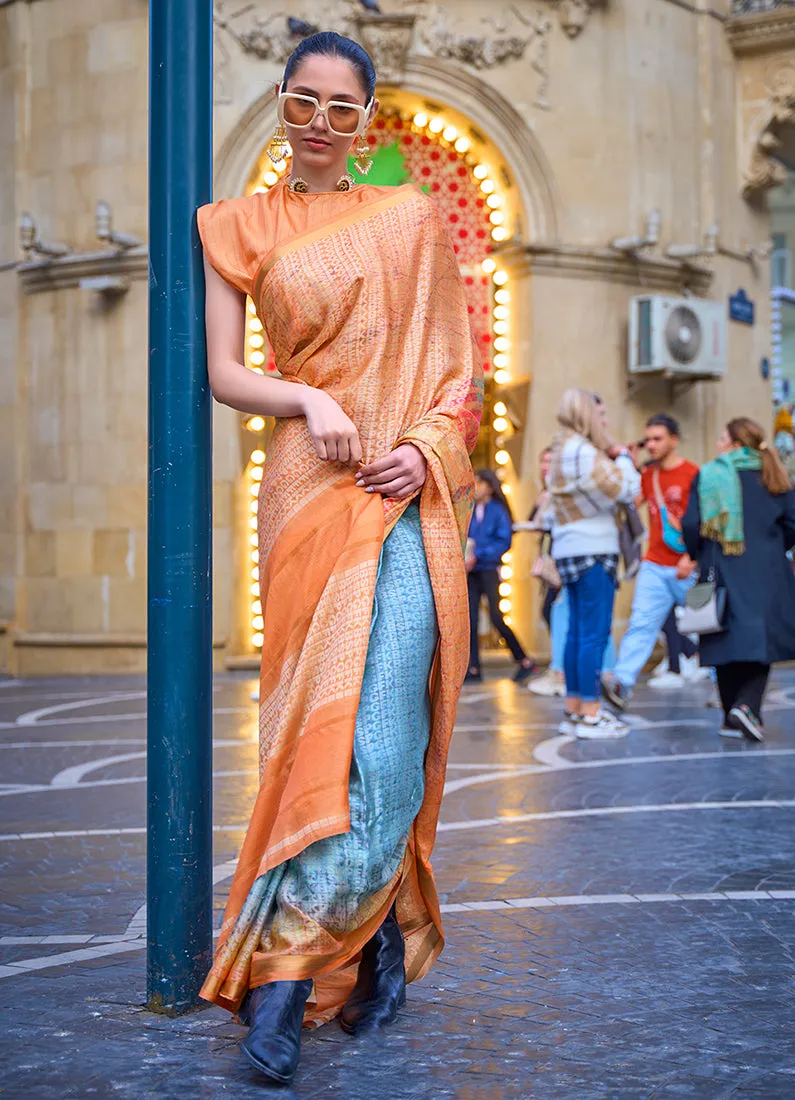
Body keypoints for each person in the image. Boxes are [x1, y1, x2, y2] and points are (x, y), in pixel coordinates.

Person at [196, 33, 483, 1083]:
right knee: (310, 738)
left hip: (403, 495)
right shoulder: (235, 227)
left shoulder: (408, 218)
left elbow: (458, 374)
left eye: (341, 108)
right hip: (305, 491)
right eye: (302, 102)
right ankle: (324, 973)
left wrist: (419, 450)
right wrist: (308, 394)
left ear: (368, 120)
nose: (319, 123)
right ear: (281, 105)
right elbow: (227, 372)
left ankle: (319, 963)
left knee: (385, 732)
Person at [682, 417, 795, 741]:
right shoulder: (773, 474)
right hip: (767, 569)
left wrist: (697, 553)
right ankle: (746, 710)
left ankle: (734, 713)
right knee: (763, 640)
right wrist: (775, 548)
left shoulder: (709, 474)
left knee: (721, 636)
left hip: (718, 566)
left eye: (722, 438)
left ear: (735, 443)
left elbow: (692, 523)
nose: (718, 445)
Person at [548, 389, 640, 738]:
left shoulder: (561, 450)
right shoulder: (585, 452)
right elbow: (626, 489)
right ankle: (590, 713)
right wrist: (625, 459)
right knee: (594, 634)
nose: (605, 422)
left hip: (569, 549)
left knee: (576, 633)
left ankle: (574, 710)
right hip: (594, 550)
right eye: (600, 415)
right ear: (586, 415)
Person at [602, 414, 699, 710]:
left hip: (687, 565)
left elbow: (705, 521)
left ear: (674, 440)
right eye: (649, 440)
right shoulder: (648, 474)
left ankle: (730, 690)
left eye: (658, 439)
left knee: (709, 627)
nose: (652, 445)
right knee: (641, 623)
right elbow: (629, 504)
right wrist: (628, 464)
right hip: (655, 564)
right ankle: (622, 683)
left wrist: (692, 558)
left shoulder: (693, 473)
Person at [466, 470, 536, 683]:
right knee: (470, 619)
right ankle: (473, 668)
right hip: (470, 571)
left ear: (490, 486)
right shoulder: (468, 510)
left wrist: (478, 555)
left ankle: (523, 659)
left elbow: (503, 541)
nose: (476, 487)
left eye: (480, 483)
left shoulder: (497, 511)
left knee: (497, 616)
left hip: (488, 569)